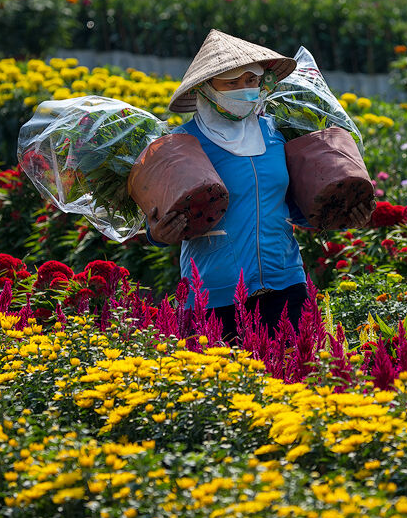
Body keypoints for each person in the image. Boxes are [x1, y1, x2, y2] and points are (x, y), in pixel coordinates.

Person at [146, 29, 373, 342]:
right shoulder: (184, 144)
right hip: (215, 292)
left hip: (285, 281)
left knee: (292, 367)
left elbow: (294, 207)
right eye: (231, 83)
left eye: (251, 80)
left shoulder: (275, 133)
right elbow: (158, 216)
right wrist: (157, 234)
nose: (244, 89)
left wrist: (342, 213)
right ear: (206, 88)